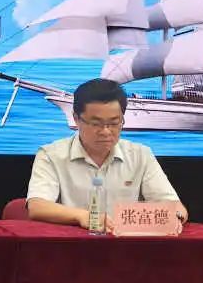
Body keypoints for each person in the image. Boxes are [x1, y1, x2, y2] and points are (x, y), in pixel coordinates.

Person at [26, 78, 188, 229]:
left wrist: (174, 216)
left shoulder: (141, 155)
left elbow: (175, 207)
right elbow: (37, 206)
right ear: (76, 119)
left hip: (126, 246)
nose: (105, 131)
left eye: (114, 123)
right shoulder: (51, 155)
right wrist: (83, 216)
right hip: (72, 244)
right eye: (96, 123)